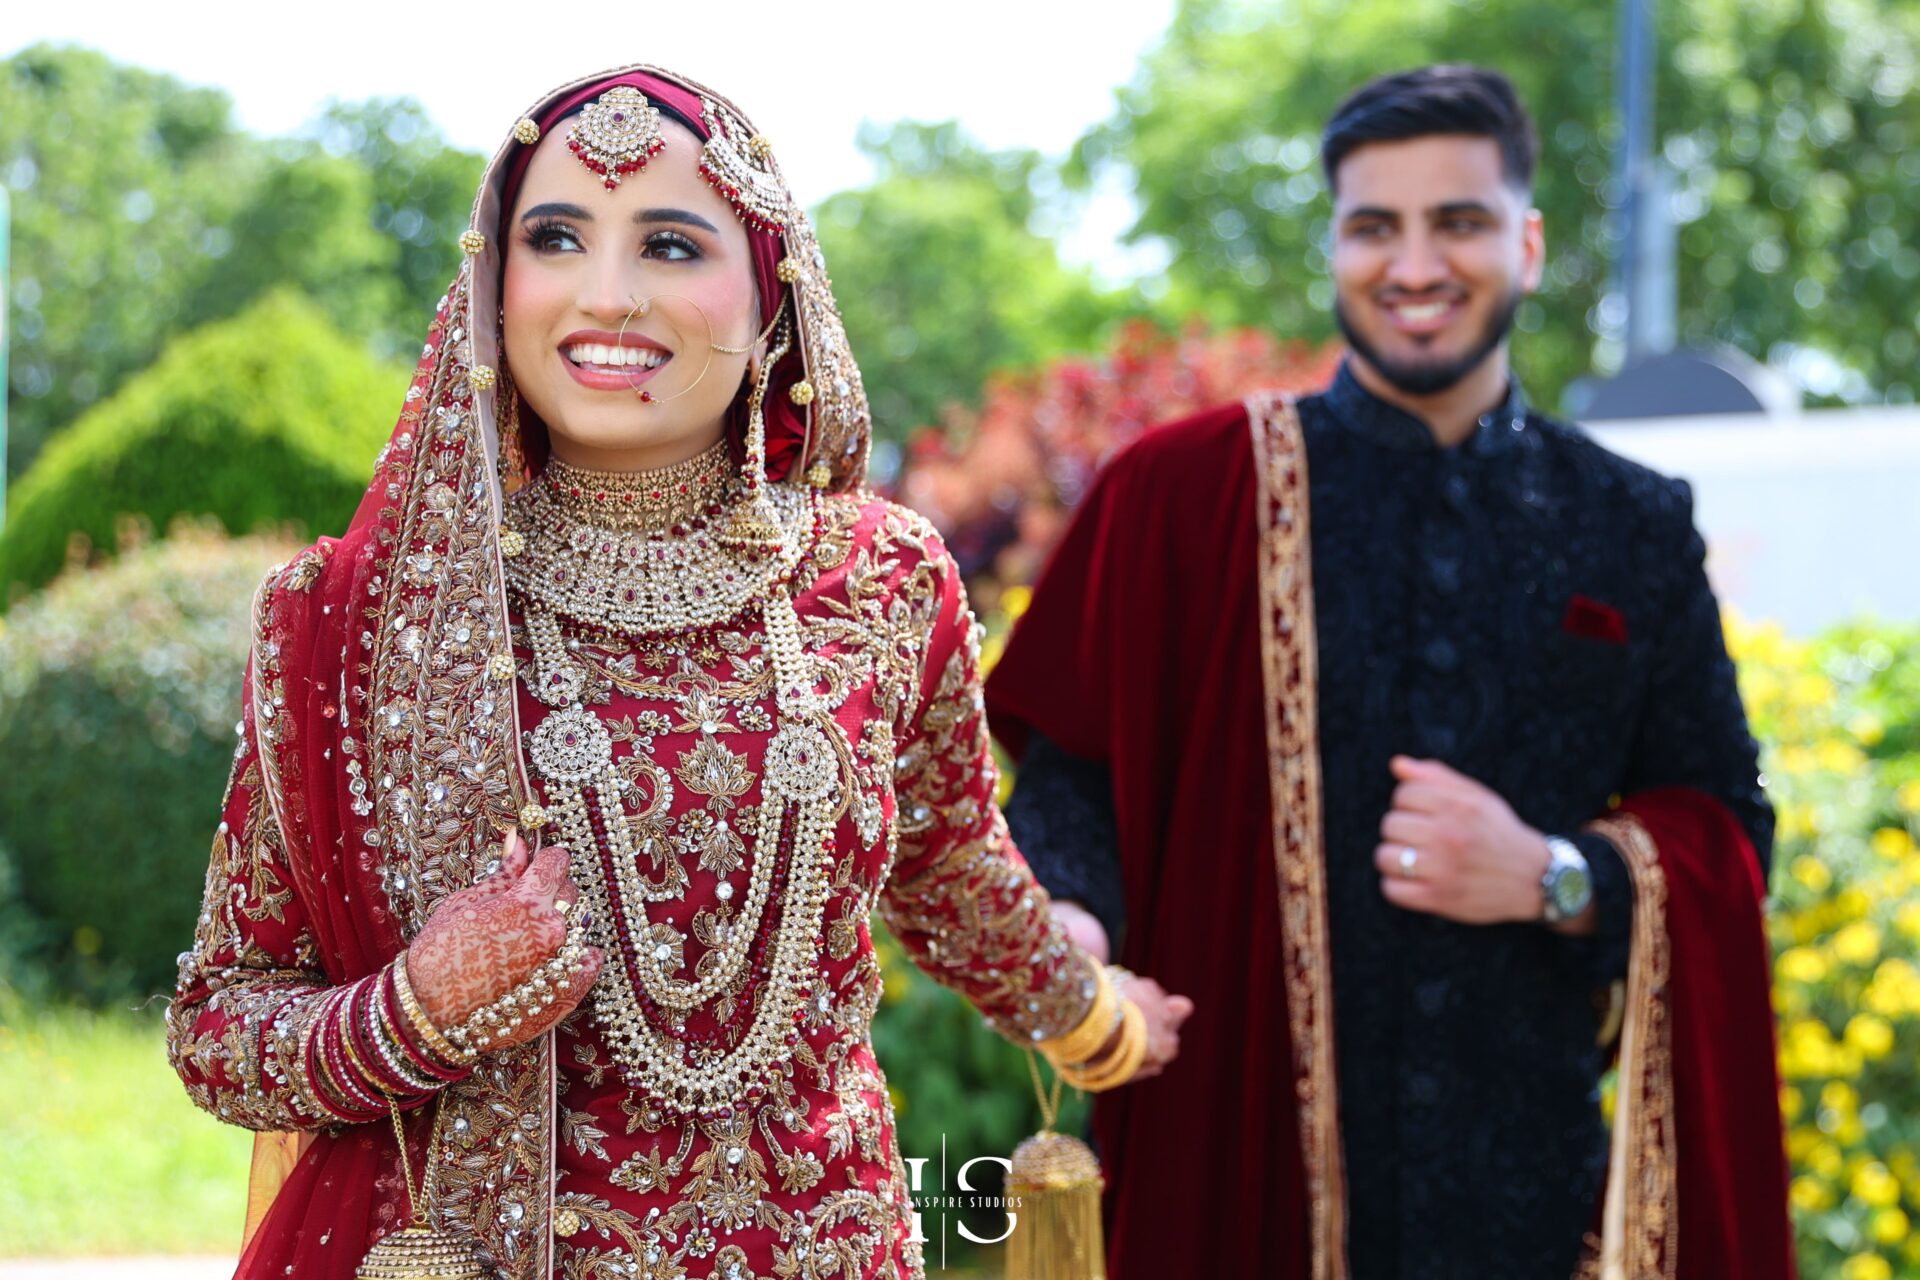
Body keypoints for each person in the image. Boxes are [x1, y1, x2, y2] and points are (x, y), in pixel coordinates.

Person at [164, 65, 1189, 1280]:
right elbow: (222, 1027)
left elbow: (953, 863)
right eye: (555, 237)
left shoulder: (883, 576)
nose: (607, 293)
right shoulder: (361, 621)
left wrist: (1098, 1018)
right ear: (494, 285)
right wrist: (418, 1007)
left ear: (771, 299)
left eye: (668, 242)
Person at [986, 65, 1794, 1279]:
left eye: (1457, 221)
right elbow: (1072, 768)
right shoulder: (1184, 495)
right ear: (1335, 247)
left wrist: (1553, 873)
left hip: (1527, 1196)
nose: (1414, 265)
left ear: (1524, 241)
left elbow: (1728, 826)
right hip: (1229, 1175)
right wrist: (1068, 917)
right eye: (1375, 226)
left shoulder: (1629, 526)